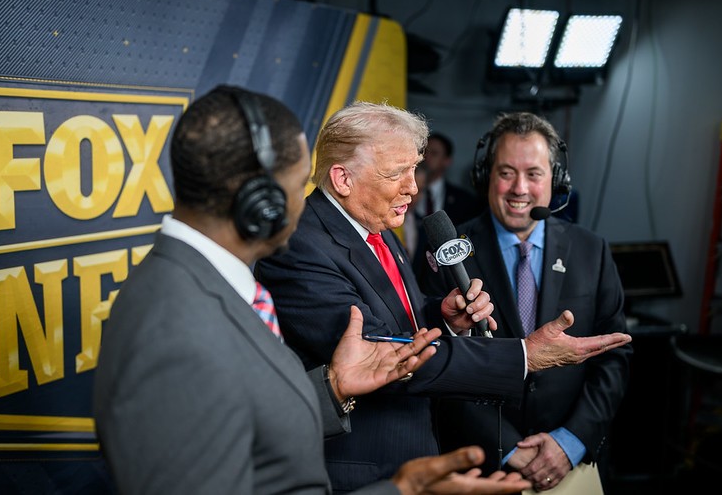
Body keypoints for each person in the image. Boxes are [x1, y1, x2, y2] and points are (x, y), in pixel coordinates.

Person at [92, 85, 534, 495]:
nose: (302, 201)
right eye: (298, 180)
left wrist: (334, 388)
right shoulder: (169, 322)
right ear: (260, 203)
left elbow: (252, 432)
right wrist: (399, 490)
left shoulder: (200, 288)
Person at [254, 101, 632, 493]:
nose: (414, 187)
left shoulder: (379, 229)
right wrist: (523, 354)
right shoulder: (299, 246)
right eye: (397, 173)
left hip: (412, 463)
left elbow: (406, 325)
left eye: (414, 169)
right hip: (359, 477)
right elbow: (382, 356)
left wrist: (446, 320)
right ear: (343, 178)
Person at [426, 112, 632, 493]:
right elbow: (436, 362)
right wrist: (507, 448)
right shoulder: (447, 255)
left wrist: (570, 442)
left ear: (556, 179)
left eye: (534, 174)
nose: (519, 188)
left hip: (572, 469)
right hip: (481, 468)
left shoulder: (593, 251)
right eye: (506, 173)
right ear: (485, 176)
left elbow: (613, 359)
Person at [411, 132, 485, 290]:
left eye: (434, 153)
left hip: (449, 283)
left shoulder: (465, 201)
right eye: (424, 152)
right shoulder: (405, 195)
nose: (426, 157)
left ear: (447, 161)